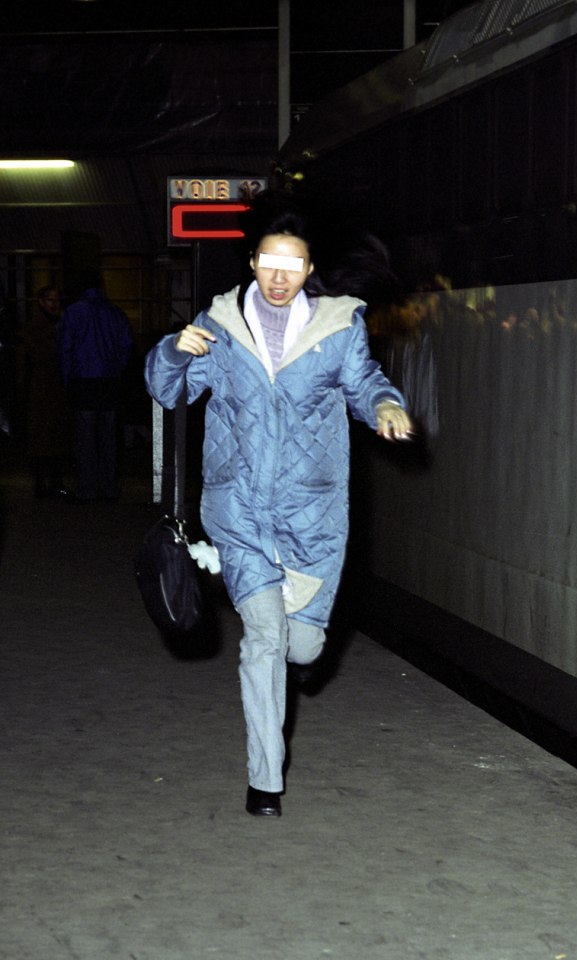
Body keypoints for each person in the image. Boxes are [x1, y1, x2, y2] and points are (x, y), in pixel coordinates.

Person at [144, 203, 413, 817]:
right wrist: (175, 351)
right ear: (253, 264)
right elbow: (167, 390)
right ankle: (265, 780)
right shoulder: (220, 327)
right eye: (268, 262)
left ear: (309, 269)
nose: (278, 274)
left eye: (291, 264)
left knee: (304, 649)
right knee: (263, 638)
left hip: (311, 522)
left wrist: (385, 406)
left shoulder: (337, 330)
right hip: (237, 511)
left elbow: (365, 381)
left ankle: (301, 639)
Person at [57, 271, 133, 501]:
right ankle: (108, 487)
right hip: (109, 381)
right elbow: (126, 347)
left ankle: (87, 488)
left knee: (86, 437)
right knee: (108, 437)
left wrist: (67, 380)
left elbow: (64, 349)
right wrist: (116, 370)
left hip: (83, 381)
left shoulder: (72, 313)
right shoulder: (115, 312)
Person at [22, 286, 73, 497]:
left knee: (49, 436)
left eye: (57, 300)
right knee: (45, 437)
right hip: (42, 389)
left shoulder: (52, 325)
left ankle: (49, 482)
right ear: (41, 302)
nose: (54, 304)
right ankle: (45, 483)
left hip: (49, 388)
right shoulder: (42, 326)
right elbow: (35, 355)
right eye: (50, 300)